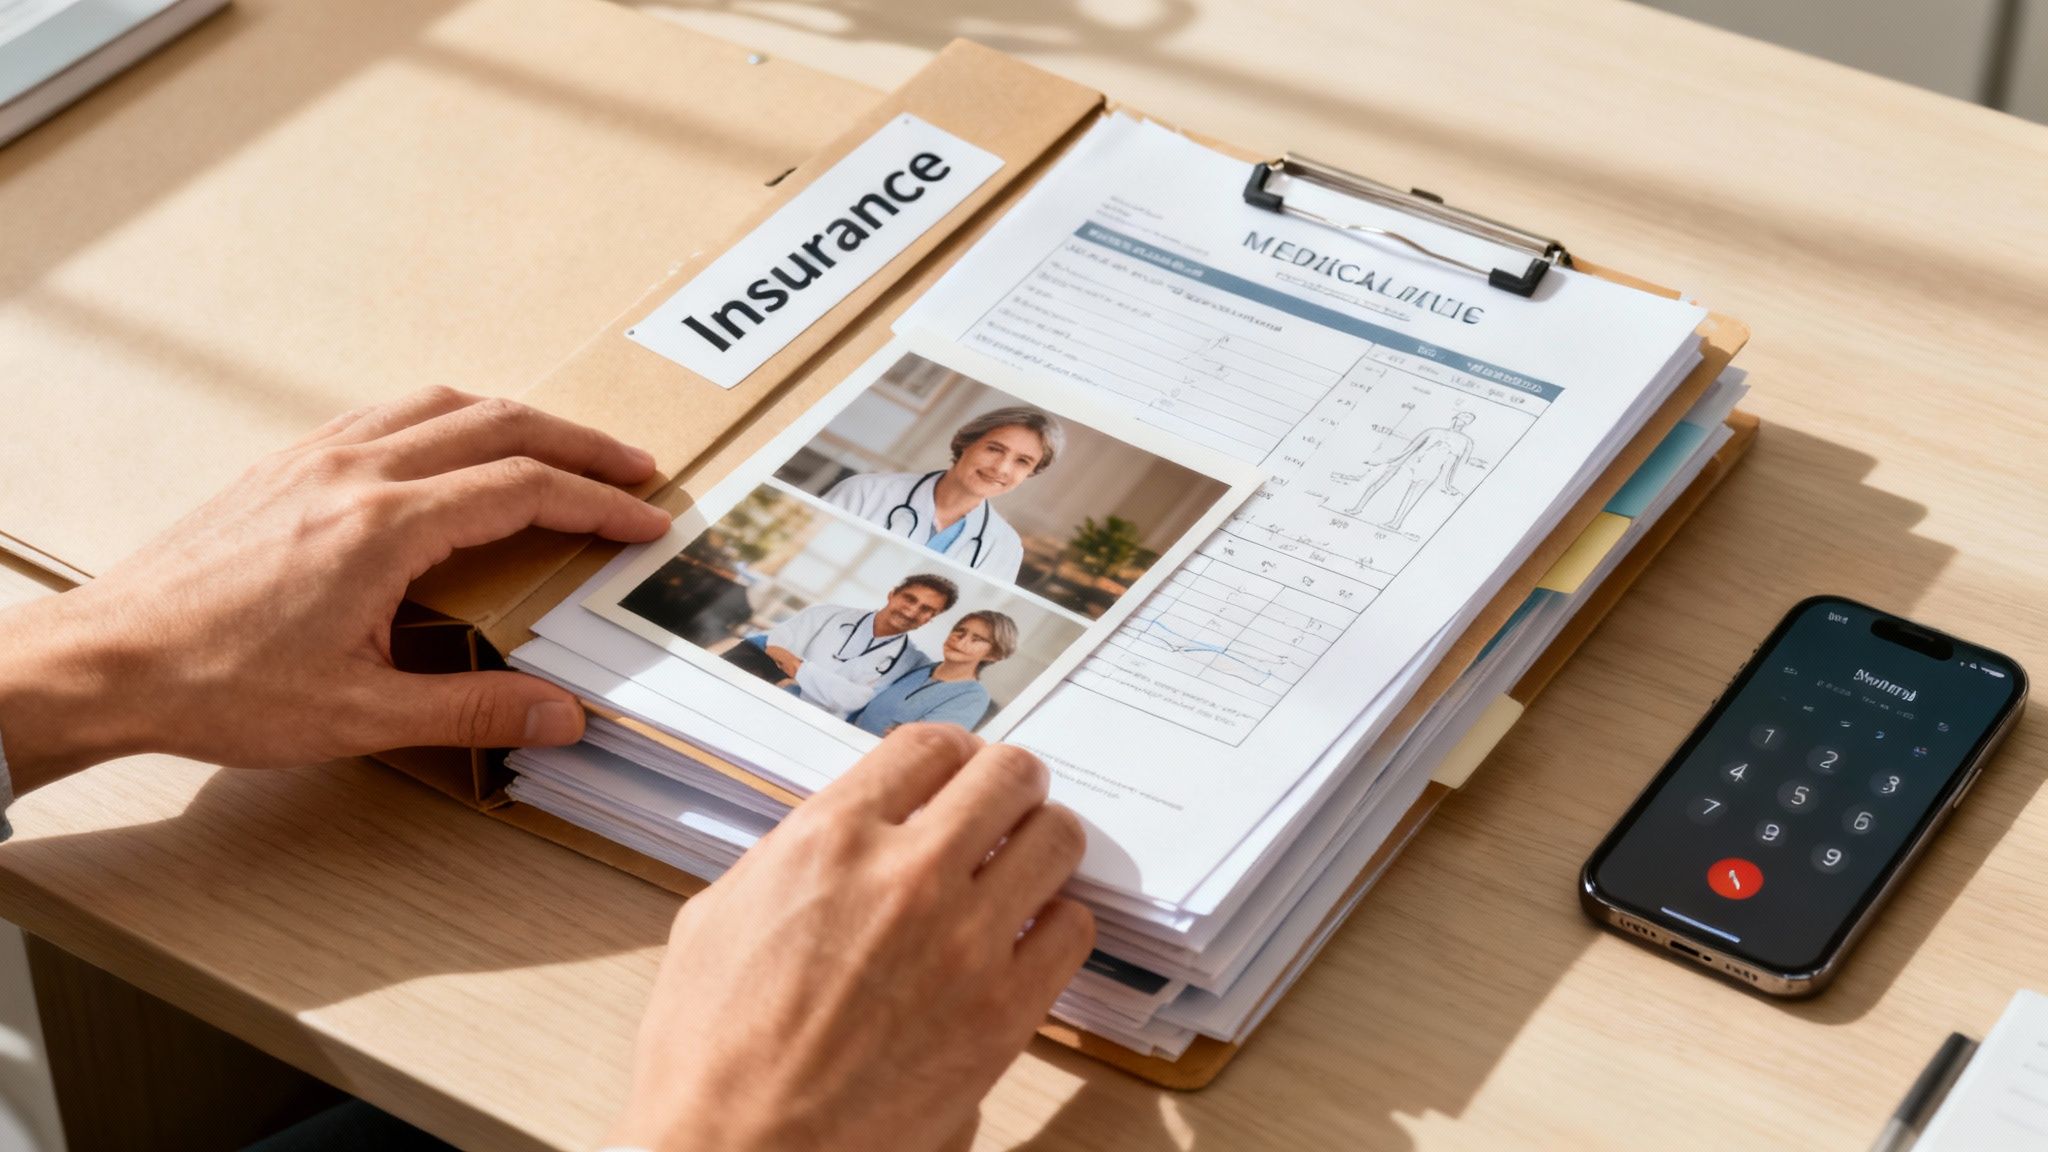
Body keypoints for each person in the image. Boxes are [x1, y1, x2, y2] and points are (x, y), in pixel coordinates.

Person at [0, 388, 1093, 1152]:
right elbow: (794, 646)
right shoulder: (862, 514)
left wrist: (77, 667)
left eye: (1021, 467)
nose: (917, 616)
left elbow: (826, 674)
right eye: (993, 448)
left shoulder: (972, 588)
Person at [822, 406, 1064, 583]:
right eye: (994, 449)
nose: (1001, 468)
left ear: (1031, 472)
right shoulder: (866, 492)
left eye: (1022, 461)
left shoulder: (1005, 547)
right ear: (966, 443)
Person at [731, 574, 957, 718]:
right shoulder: (826, 614)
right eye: (909, 599)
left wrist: (794, 669)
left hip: (810, 724)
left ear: (931, 618)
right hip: (759, 700)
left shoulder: (912, 663)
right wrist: (827, 687)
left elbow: (855, 701)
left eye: (927, 609)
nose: (912, 611)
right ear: (892, 595)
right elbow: (774, 648)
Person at [851, 610, 1016, 736]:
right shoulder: (919, 667)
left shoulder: (973, 697)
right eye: (960, 631)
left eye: (977, 639)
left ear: (994, 654)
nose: (961, 640)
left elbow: (916, 744)